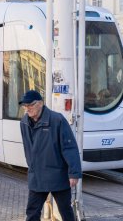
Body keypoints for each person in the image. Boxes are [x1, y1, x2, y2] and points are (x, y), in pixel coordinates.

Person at [19, 90, 82, 221]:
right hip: (37, 176)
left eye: (30, 105)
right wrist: (31, 166)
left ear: (40, 103)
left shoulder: (57, 120)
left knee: (65, 211)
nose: (27, 109)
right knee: (32, 212)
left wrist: (74, 173)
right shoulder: (24, 122)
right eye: (25, 106)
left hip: (58, 175)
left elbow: (69, 147)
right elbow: (27, 147)